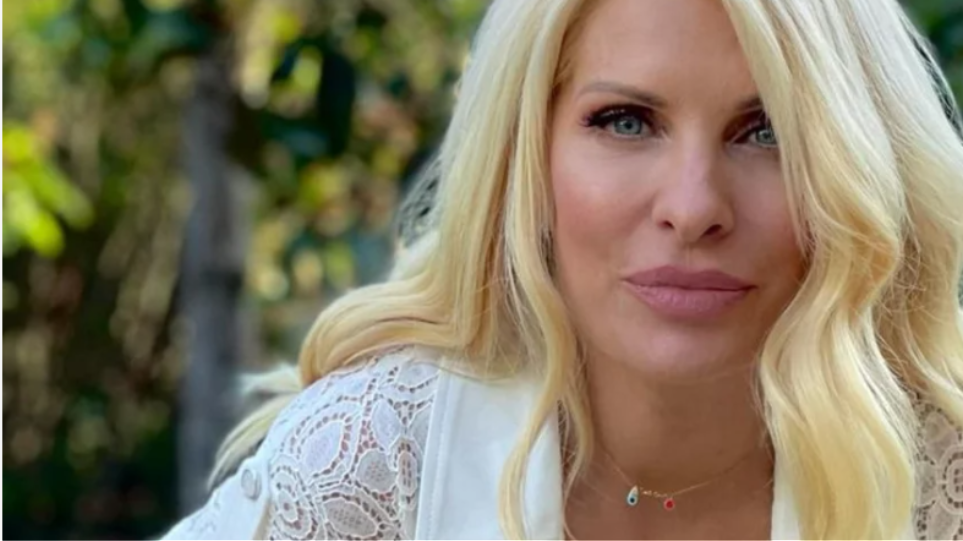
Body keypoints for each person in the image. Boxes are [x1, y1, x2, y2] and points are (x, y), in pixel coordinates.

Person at [162, 0, 963, 539]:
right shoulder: (375, 462)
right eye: (625, 121)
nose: (692, 207)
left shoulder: (940, 479)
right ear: (526, 161)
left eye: (768, 132)